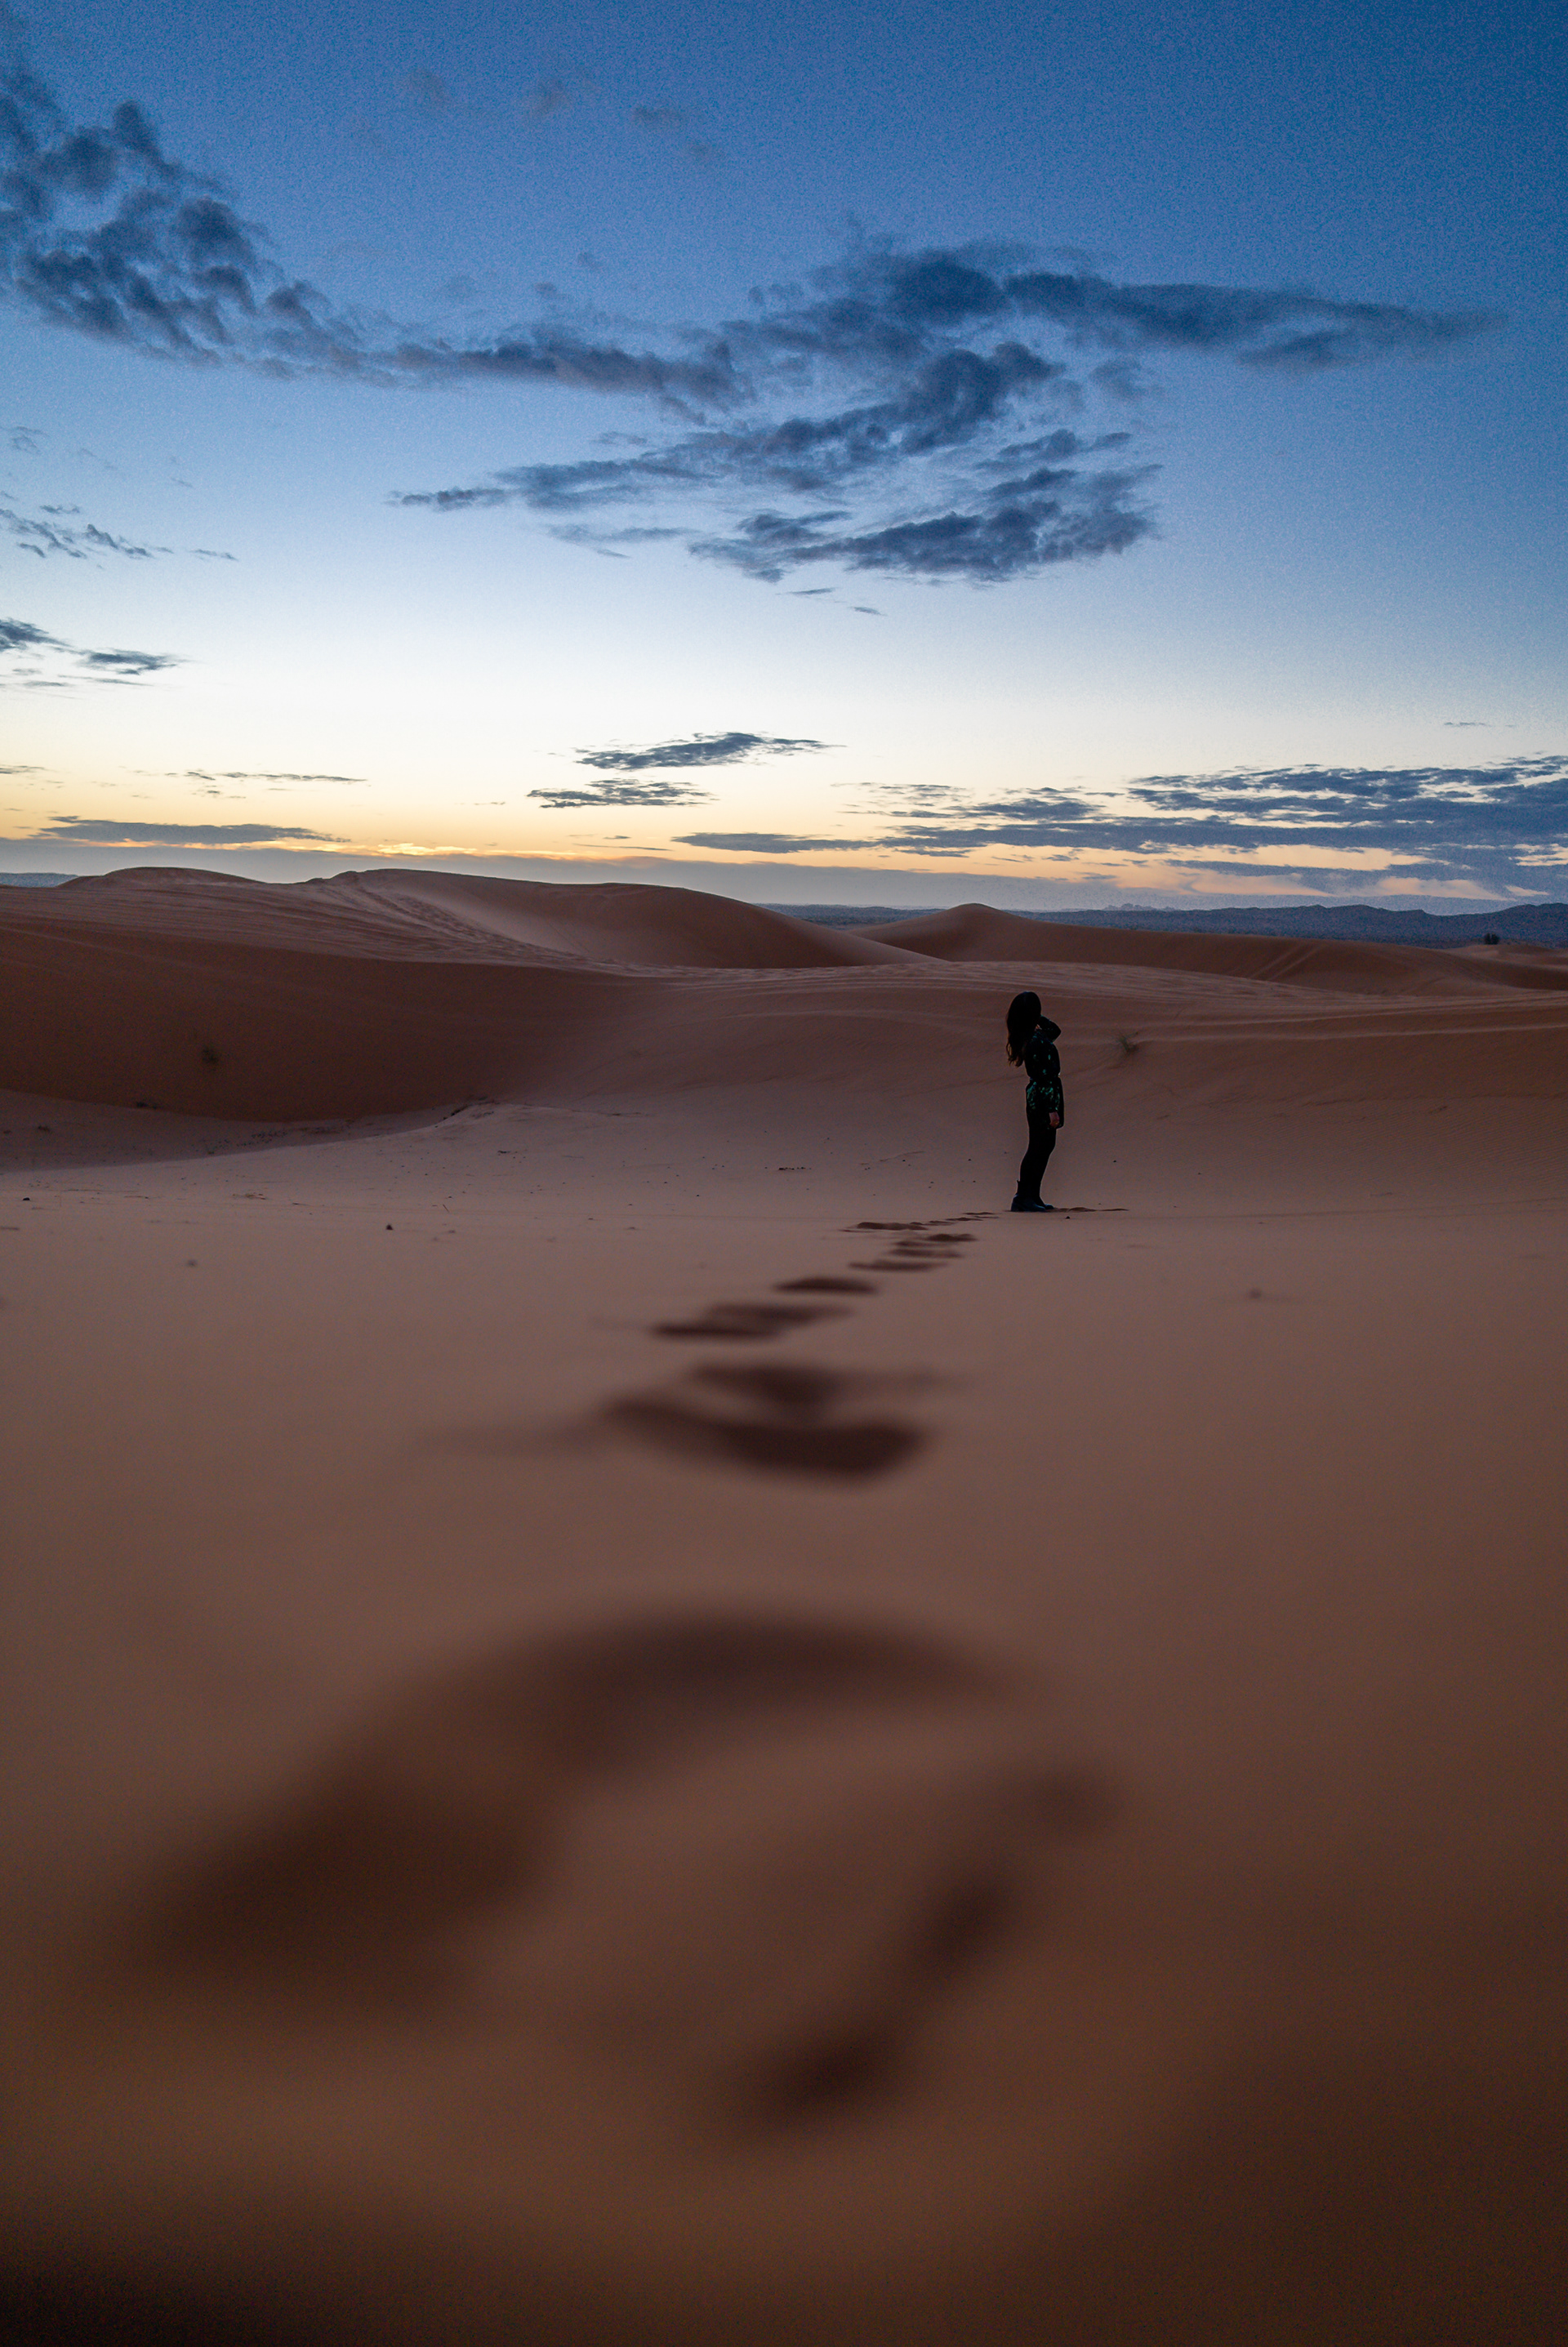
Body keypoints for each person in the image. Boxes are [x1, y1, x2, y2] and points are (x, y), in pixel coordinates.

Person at [1004, 991, 1062, 1213]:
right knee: (1039, 1146)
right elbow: (1044, 1077)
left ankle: (1033, 1195)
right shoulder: (1035, 1040)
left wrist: (1036, 1017)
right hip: (1042, 1096)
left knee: (1045, 1145)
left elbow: (1055, 1030)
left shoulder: (1033, 1035)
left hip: (1044, 1094)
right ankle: (1023, 1197)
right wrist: (1052, 1110)